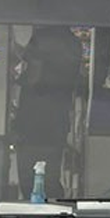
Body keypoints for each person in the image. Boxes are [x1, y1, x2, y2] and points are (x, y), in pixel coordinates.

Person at [13, 25, 84, 200]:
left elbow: (34, 76)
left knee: (30, 181)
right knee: (50, 178)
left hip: (32, 125)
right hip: (56, 124)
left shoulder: (41, 39)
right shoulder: (74, 44)